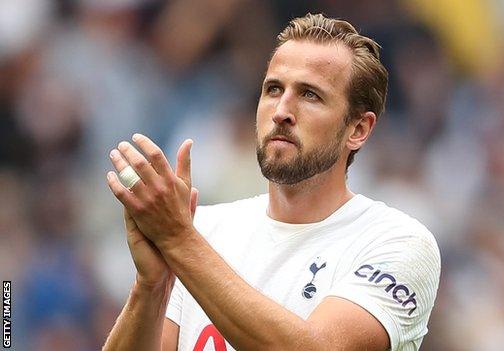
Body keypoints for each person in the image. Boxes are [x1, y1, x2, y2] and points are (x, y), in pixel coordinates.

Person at [102, 13, 440, 351]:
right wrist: (150, 288)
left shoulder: (397, 243)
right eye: (273, 89)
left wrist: (178, 241)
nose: (282, 110)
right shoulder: (204, 229)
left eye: (310, 95)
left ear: (358, 129)